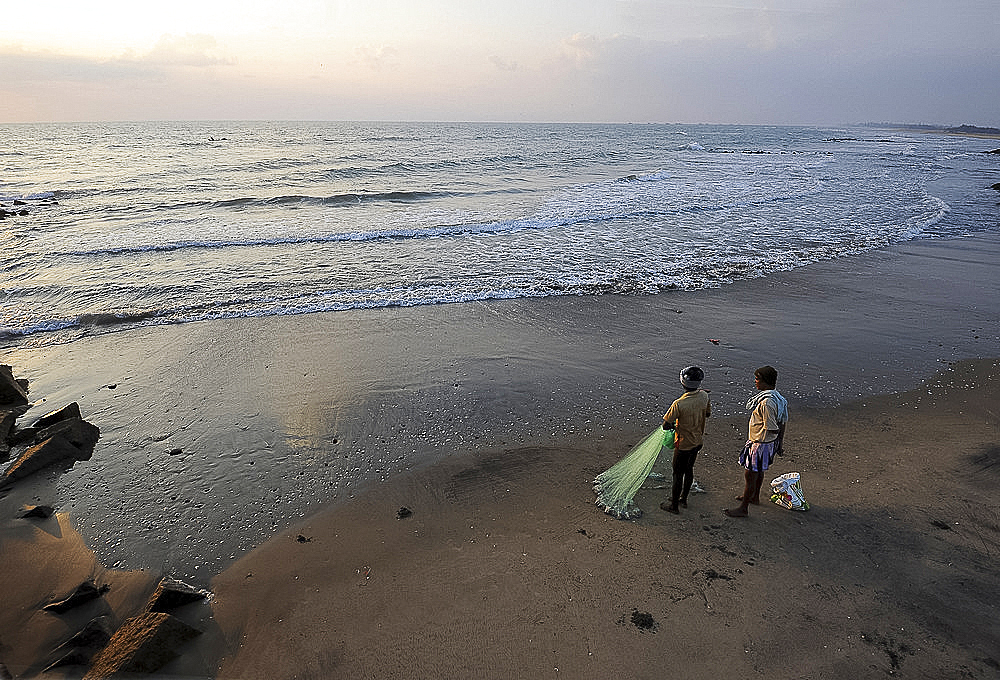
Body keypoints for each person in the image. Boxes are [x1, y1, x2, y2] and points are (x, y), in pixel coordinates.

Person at [724, 365, 788, 518]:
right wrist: (779, 442)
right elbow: (783, 422)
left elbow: (772, 427)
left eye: (757, 379)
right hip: (769, 443)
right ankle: (754, 497)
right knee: (759, 472)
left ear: (765, 382)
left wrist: (775, 435)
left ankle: (744, 508)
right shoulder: (779, 399)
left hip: (760, 443)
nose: (755, 382)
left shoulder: (766, 403)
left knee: (750, 474)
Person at [659, 366, 711, 514]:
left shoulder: (679, 404)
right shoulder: (704, 396)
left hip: (683, 444)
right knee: (688, 470)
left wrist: (674, 425)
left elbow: (665, 424)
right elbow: (707, 414)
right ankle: (683, 498)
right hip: (697, 442)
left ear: (683, 383)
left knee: (677, 473)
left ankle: (674, 506)